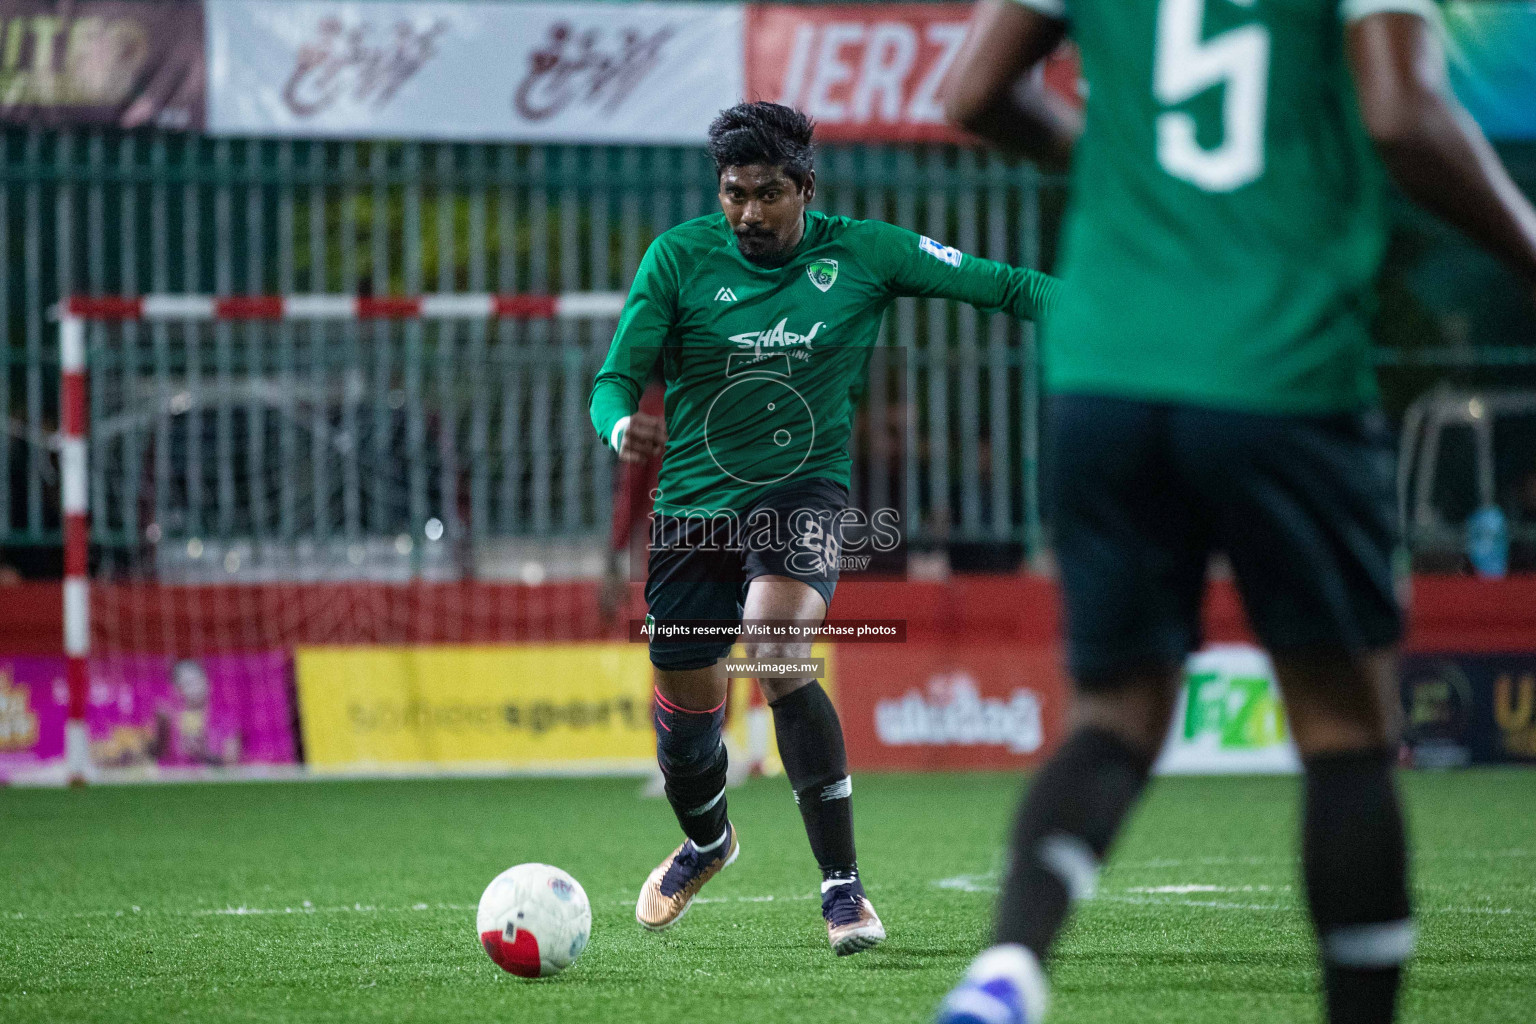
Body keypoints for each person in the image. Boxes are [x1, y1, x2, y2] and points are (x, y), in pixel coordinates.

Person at [934, 0, 1536, 1021]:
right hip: (1280, 367)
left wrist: (1127, 183)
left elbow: (974, 94)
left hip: (1106, 370)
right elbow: (1398, 112)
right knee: (1344, 723)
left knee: (1115, 716)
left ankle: (1006, 969)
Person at [590, 100, 1060, 955]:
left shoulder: (866, 251)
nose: (749, 213)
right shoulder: (679, 259)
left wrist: (1127, 322)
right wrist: (622, 428)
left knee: (774, 646)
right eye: (735, 193)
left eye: (769, 193)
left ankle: (844, 890)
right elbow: (613, 380)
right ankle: (707, 843)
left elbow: (1007, 286)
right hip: (693, 512)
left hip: (805, 495)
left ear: (806, 187)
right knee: (689, 728)